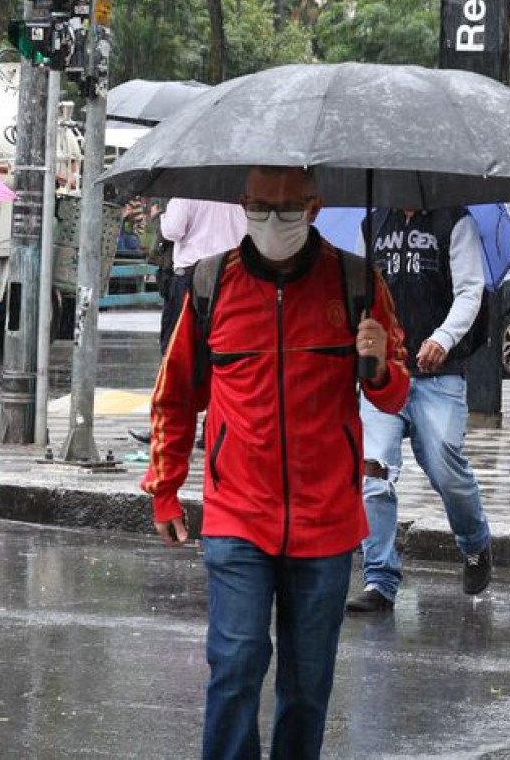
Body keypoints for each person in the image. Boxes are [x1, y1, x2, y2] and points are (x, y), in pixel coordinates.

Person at [144, 166, 409, 759]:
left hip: (327, 521)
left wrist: (378, 362)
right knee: (235, 666)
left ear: (314, 208)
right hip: (238, 513)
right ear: (242, 205)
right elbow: (175, 394)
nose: (273, 219)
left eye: (288, 208)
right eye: (262, 207)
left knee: (308, 686)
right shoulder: (211, 284)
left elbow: (393, 396)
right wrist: (165, 488)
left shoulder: (357, 283)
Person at [348, 205, 496, 613]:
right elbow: (358, 293)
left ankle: (474, 543)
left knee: (446, 469)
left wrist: (443, 338)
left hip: (439, 374)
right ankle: (379, 578)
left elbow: (470, 291)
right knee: (373, 473)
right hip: (384, 374)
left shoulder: (456, 222)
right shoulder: (373, 223)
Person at [156, 197, 248, 354]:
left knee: (182, 343)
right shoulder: (238, 191)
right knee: (224, 338)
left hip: (191, 273)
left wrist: (163, 217)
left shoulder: (186, 191)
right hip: (229, 270)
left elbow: (173, 230)